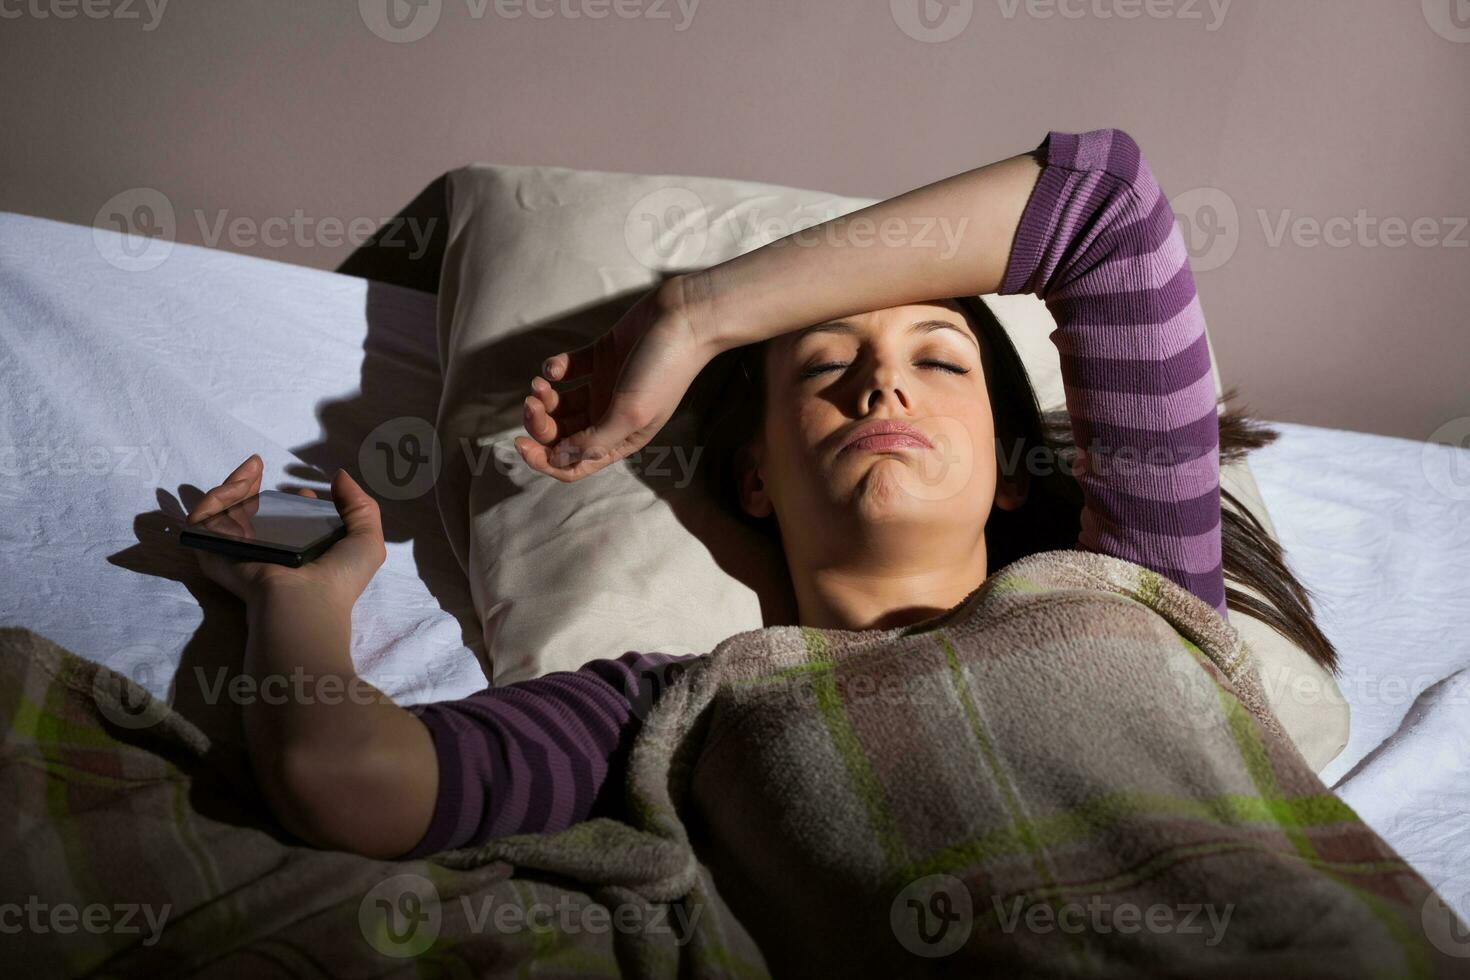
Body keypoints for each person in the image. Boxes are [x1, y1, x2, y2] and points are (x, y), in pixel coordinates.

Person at [184, 129, 1332, 862]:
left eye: (940, 360)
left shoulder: (1140, 599)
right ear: (753, 473)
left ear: (1006, 459)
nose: (883, 375)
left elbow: (1107, 204)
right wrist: (302, 588)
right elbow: (354, 786)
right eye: (826, 367)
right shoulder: (681, 712)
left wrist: (693, 314)